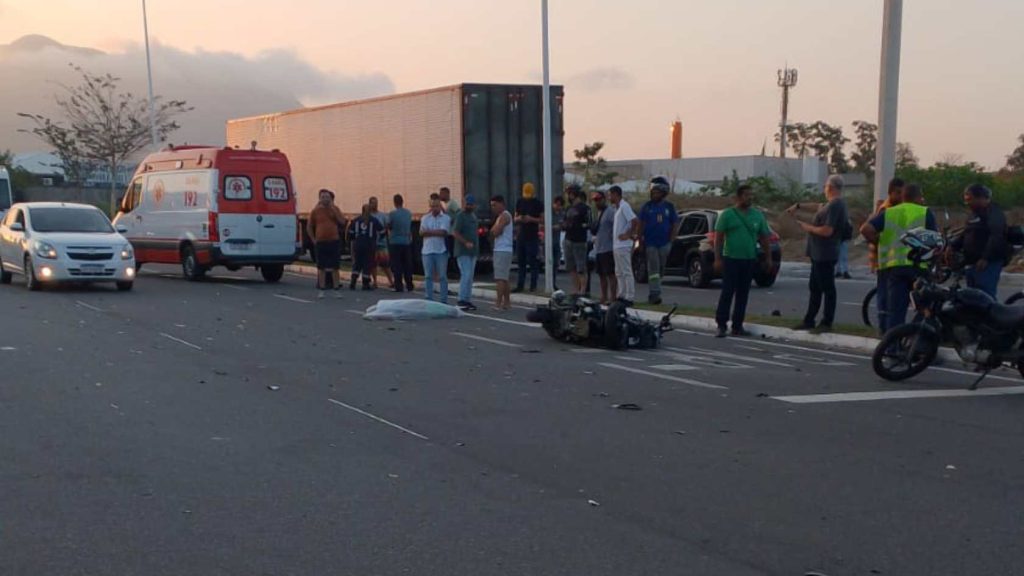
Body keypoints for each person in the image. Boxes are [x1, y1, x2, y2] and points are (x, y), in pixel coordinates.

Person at [860, 183, 936, 333]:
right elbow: (934, 242)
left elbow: (865, 229)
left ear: (903, 197)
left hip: (895, 268)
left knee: (895, 312)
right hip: (918, 268)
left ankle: (893, 343)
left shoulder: (889, 213)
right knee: (926, 307)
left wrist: (878, 241)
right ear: (918, 197)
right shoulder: (925, 212)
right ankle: (917, 339)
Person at [787, 174, 849, 333]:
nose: (824, 189)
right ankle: (809, 319)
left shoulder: (836, 205)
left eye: (826, 186)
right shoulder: (830, 204)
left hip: (825, 253)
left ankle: (827, 322)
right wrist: (798, 206)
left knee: (827, 288)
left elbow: (827, 231)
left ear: (831, 187)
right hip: (818, 253)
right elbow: (817, 206)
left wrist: (807, 227)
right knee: (815, 287)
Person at [713, 184, 772, 338]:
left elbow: (764, 237)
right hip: (731, 259)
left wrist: (768, 257)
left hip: (749, 259)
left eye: (751, 195)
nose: (749, 198)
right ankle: (721, 325)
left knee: (743, 294)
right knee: (727, 292)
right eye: (746, 195)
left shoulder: (757, 215)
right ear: (738, 197)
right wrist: (717, 258)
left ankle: (737, 325)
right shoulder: (727, 215)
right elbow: (718, 238)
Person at [951, 184, 1008, 299]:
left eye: (970, 199)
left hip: (987, 264)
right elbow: (966, 233)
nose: (967, 203)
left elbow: (996, 236)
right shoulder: (974, 214)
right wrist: (951, 246)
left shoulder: (994, 213)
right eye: (966, 200)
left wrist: (985, 258)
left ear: (981, 198)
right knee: (973, 299)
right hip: (972, 263)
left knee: (985, 297)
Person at [868, 178, 905, 329]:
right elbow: (868, 230)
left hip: (892, 260)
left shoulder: (893, 208)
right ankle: (884, 329)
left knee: (890, 297)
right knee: (885, 297)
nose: (901, 196)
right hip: (884, 261)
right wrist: (883, 244)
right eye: (898, 193)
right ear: (890, 193)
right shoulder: (886, 210)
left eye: (903, 193)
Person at [638, 176, 680, 305]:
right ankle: (654, 293)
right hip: (651, 243)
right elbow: (641, 225)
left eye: (657, 192)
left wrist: (671, 241)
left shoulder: (669, 207)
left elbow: (675, 224)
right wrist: (640, 240)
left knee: (661, 268)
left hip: (664, 243)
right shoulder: (647, 207)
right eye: (653, 192)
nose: (654, 194)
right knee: (653, 268)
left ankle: (657, 288)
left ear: (663, 192)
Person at [306, 188, 345, 299]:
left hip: (334, 241)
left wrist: (333, 210)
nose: (325, 199)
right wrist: (313, 239)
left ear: (330, 198)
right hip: (321, 242)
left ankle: (336, 289)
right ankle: (322, 290)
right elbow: (309, 226)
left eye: (327, 197)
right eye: (323, 197)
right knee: (321, 267)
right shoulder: (315, 211)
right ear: (319, 199)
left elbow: (342, 222)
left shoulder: (335, 209)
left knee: (335, 267)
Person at [611, 186, 639, 306]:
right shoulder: (617, 208)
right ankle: (621, 294)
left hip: (623, 245)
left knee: (626, 270)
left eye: (610, 195)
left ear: (616, 194)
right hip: (617, 245)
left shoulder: (624, 206)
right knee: (619, 271)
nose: (609, 197)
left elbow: (634, 220)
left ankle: (630, 296)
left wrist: (628, 234)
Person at [420, 193, 451, 304]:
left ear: (440, 205)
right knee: (428, 276)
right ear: (430, 206)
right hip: (427, 251)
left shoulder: (446, 218)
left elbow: (443, 232)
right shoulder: (425, 218)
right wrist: (434, 232)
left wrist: (428, 232)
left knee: (442, 276)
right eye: (432, 206)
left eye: (436, 206)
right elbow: (421, 233)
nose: (434, 208)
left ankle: (443, 300)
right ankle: (429, 299)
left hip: (441, 251)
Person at [513, 182, 543, 293]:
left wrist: (531, 219)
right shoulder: (520, 202)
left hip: (532, 236)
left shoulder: (538, 203)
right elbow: (515, 218)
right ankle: (520, 285)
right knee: (521, 262)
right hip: (521, 235)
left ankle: (533, 286)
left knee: (533, 261)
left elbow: (542, 219)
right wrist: (520, 218)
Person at [452, 194, 480, 311]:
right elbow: (455, 232)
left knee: (470, 276)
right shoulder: (460, 216)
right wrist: (465, 242)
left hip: (473, 251)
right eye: (467, 204)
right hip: (463, 251)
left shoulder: (473, 216)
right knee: (466, 274)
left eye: (471, 204)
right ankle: (461, 299)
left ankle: (467, 300)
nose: (469, 206)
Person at [563, 185, 591, 296]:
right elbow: (565, 221)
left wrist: (579, 225)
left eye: (569, 194)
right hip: (568, 239)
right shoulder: (568, 208)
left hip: (579, 241)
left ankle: (582, 290)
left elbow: (589, 223)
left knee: (581, 268)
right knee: (571, 267)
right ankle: (575, 290)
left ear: (573, 194)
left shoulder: (585, 208)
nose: (568, 196)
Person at [348, 203, 384, 291]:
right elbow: (382, 232)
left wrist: (355, 240)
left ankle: (353, 282)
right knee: (367, 264)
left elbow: (350, 233)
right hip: (369, 245)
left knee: (357, 264)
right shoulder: (374, 220)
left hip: (358, 245)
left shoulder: (356, 220)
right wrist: (377, 239)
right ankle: (365, 283)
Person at [592, 189, 617, 304]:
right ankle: (604, 296)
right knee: (601, 275)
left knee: (610, 274)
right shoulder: (598, 213)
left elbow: (616, 225)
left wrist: (613, 235)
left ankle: (613, 297)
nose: (597, 202)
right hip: (599, 248)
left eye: (598, 200)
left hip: (608, 248)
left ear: (604, 199)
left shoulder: (610, 212)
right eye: (595, 200)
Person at [490, 195, 514, 310]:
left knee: (500, 278)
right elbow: (492, 231)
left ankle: (498, 303)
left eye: (495, 205)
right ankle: (507, 302)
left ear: (501, 204)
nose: (493, 208)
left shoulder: (505, 216)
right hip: (502, 249)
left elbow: (496, 232)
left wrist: (495, 230)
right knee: (504, 278)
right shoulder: (500, 216)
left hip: (503, 249)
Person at [388, 194, 415, 292]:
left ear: (394, 202)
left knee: (397, 265)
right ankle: (409, 284)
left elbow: (389, 225)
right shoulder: (408, 213)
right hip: (406, 241)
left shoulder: (392, 214)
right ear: (402, 202)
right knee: (407, 264)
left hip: (395, 241)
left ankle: (398, 286)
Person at [369, 196, 393, 289]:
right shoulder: (368, 216)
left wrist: (386, 232)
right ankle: (374, 281)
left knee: (386, 264)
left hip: (382, 243)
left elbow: (387, 226)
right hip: (372, 243)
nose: (375, 205)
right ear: (370, 204)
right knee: (373, 264)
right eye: (373, 203)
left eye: (376, 203)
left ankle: (391, 281)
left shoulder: (382, 215)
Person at [551, 195, 566, 290]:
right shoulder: (549, 213)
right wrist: (553, 227)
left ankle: (553, 283)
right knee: (550, 262)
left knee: (556, 263)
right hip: (549, 241)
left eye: (560, 205)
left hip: (557, 241)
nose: (558, 207)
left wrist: (561, 226)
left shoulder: (562, 214)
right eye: (557, 204)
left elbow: (564, 225)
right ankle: (550, 282)